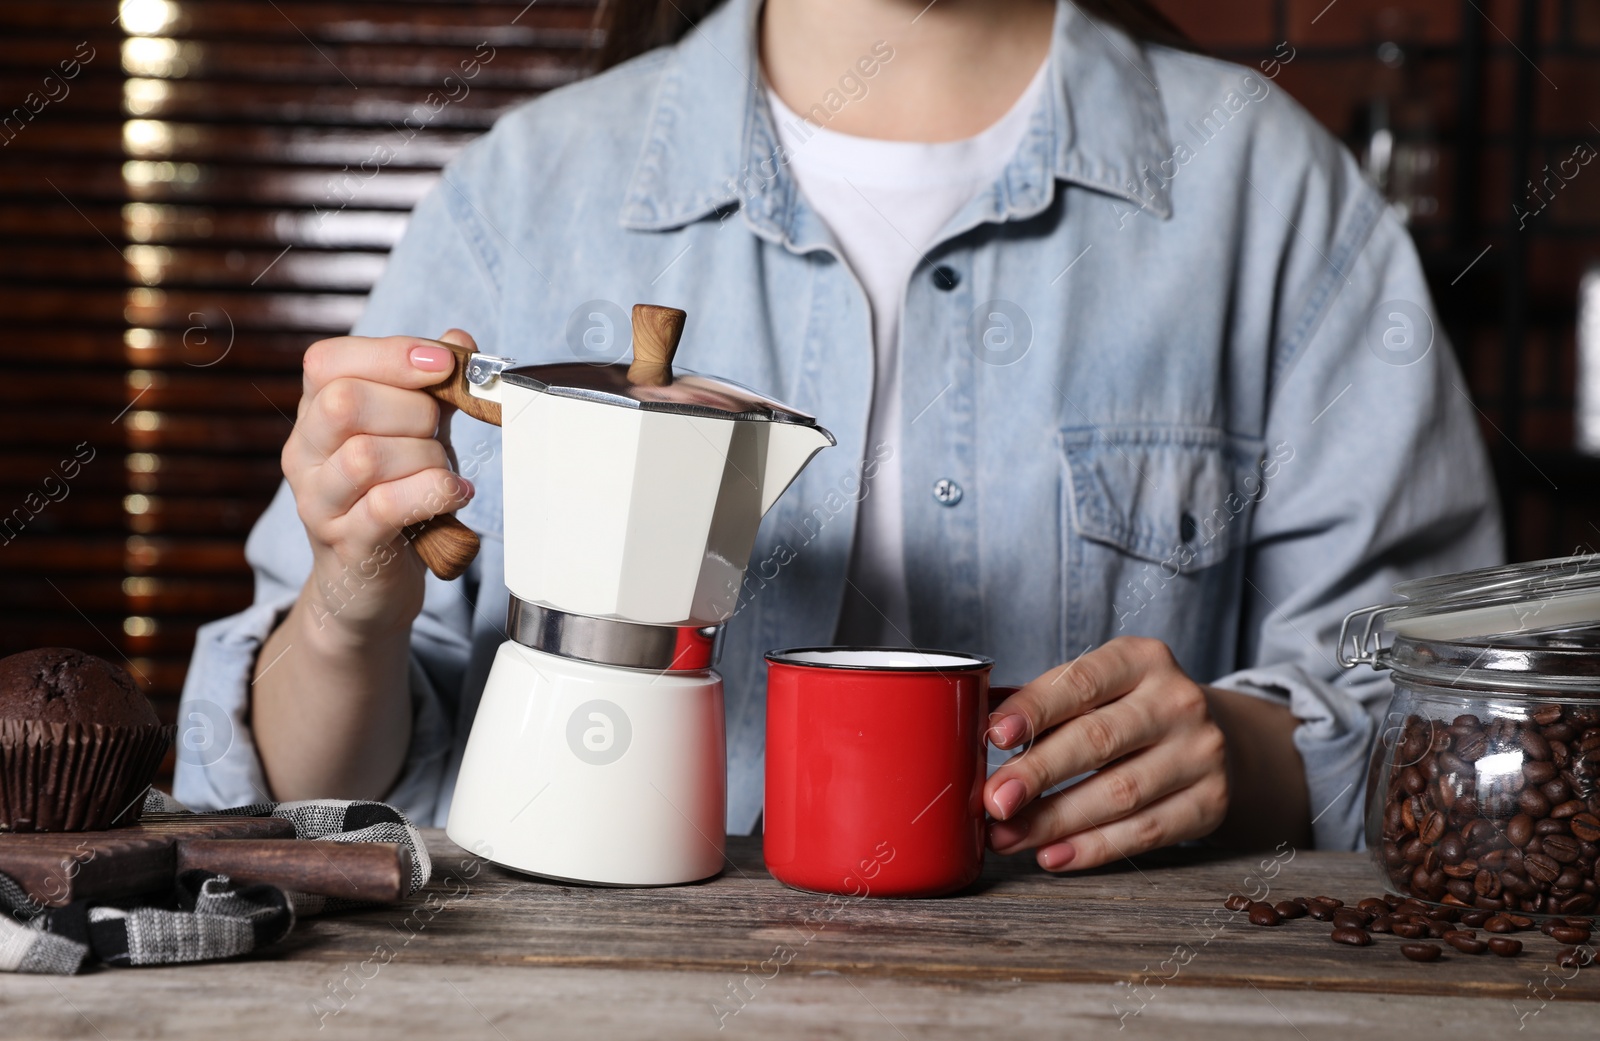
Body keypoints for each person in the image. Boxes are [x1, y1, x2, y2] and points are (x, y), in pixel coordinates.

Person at [175, 0, 1502, 869]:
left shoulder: (1269, 196)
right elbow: (309, 795)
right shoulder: (523, 194)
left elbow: (1458, 720)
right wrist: (348, 607)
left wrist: (1252, 757)